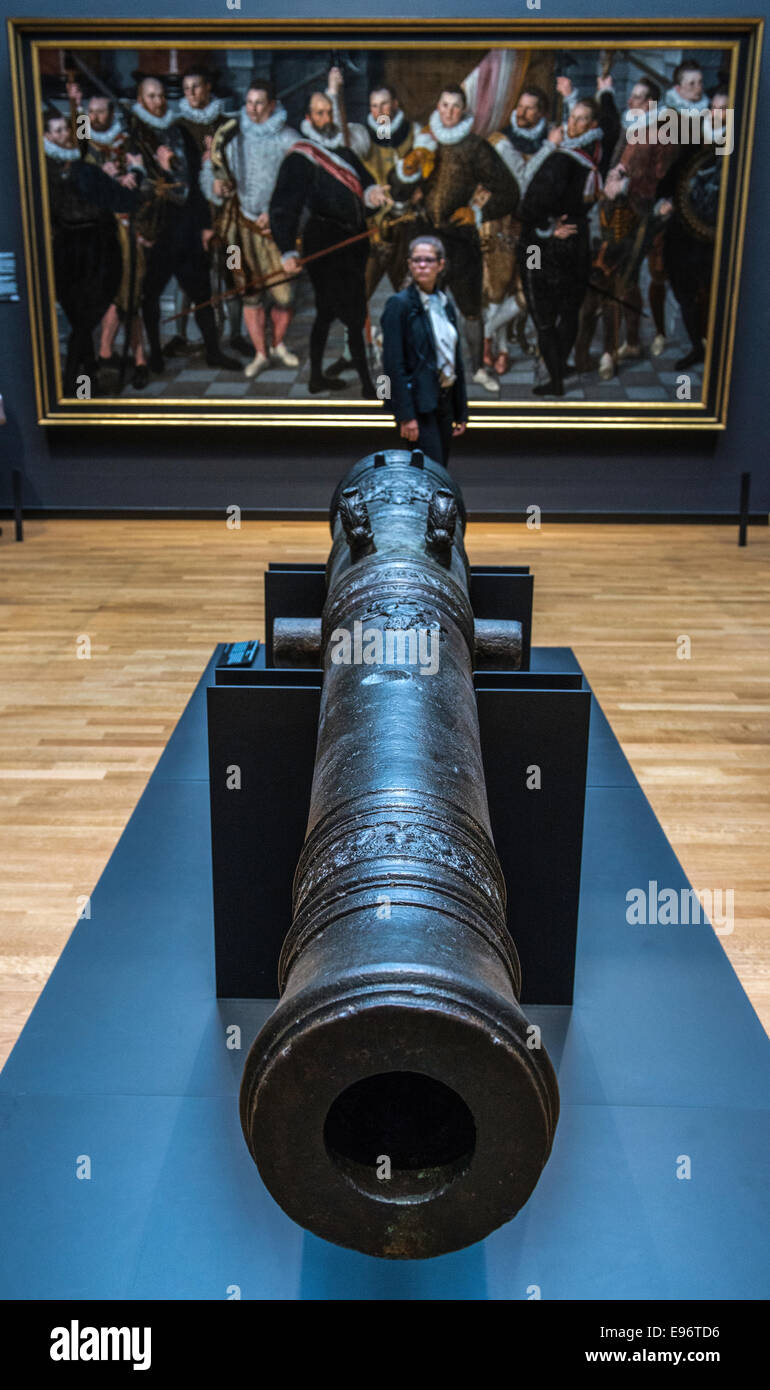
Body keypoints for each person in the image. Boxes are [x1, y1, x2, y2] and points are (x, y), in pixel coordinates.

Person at [388, 82, 518, 394]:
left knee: (471, 310)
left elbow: (509, 191)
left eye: (455, 106)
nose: (449, 112)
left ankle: (478, 369)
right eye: (444, 105)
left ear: (464, 111)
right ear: (438, 107)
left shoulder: (475, 147)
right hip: (425, 237)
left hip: (460, 241)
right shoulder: (424, 141)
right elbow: (398, 191)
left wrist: (477, 213)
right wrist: (407, 172)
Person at [269, 89, 391, 396]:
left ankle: (316, 378)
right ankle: (367, 385)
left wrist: (373, 196)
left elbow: (364, 189)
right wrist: (287, 249)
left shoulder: (345, 152)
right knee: (354, 314)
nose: (327, 119)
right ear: (308, 118)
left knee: (326, 312)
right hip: (324, 244)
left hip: (352, 243)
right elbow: (283, 206)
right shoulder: (301, 157)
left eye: (330, 112)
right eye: (320, 113)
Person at [129, 75, 239, 375]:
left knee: (202, 292)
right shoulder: (133, 138)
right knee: (149, 295)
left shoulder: (179, 131)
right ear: (140, 100)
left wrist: (205, 225)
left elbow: (198, 180)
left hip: (188, 226)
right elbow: (134, 188)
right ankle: (154, 355)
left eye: (162, 95)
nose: (159, 101)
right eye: (151, 96)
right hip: (156, 230)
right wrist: (161, 172)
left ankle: (213, 351)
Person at [203, 79, 300, 380]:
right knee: (247, 292)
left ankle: (278, 344)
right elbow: (217, 174)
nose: (252, 109)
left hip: (276, 231)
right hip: (239, 231)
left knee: (285, 295)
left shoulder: (289, 139)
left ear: (272, 105)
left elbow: (301, 187)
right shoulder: (234, 137)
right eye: (248, 102)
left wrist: (276, 213)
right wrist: (217, 185)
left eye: (259, 103)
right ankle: (260, 353)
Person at [43, 111, 143, 395]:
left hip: (64, 249)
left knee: (80, 319)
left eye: (67, 129)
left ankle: (87, 381)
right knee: (84, 321)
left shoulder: (44, 168)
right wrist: (138, 171)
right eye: (58, 131)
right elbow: (127, 201)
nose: (66, 135)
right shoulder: (82, 170)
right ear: (47, 136)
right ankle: (72, 384)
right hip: (94, 252)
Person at [517, 97, 604, 396]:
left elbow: (527, 207)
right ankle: (560, 367)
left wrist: (547, 227)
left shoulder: (560, 159)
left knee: (544, 316)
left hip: (538, 247)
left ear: (592, 125)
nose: (573, 124)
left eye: (581, 119)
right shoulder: (595, 153)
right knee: (567, 311)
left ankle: (555, 381)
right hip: (576, 241)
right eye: (572, 117)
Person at [381, 235, 468, 467]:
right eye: (416, 260)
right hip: (419, 405)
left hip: (445, 401)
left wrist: (461, 410)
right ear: (409, 264)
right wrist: (405, 415)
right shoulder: (399, 304)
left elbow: (454, 359)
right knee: (429, 472)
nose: (422, 265)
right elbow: (392, 364)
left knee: (440, 470)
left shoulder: (444, 303)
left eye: (428, 260)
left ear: (440, 264)